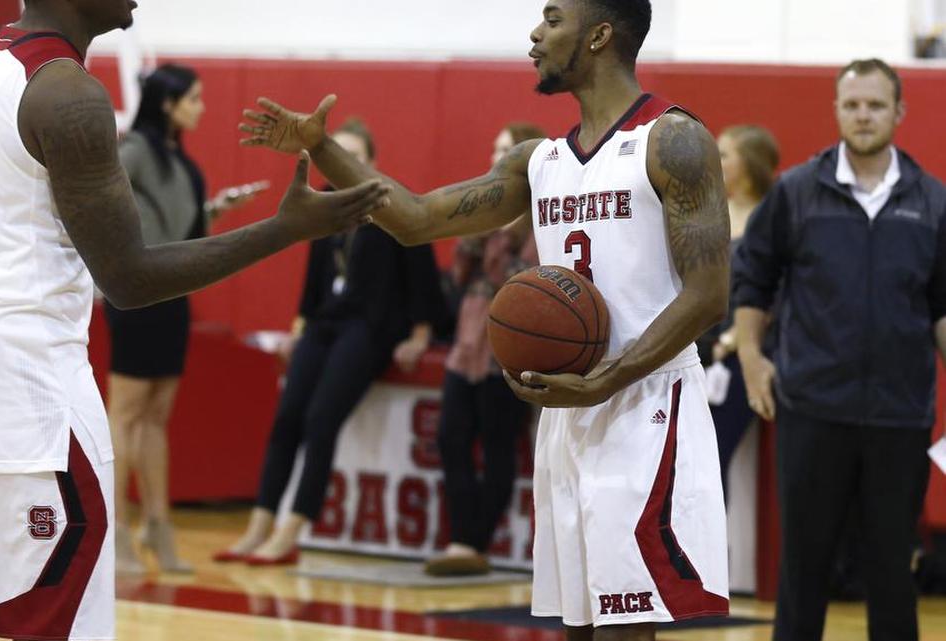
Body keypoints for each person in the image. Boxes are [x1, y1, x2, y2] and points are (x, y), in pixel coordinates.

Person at [0, 0, 391, 637]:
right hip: (21, 382)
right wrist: (285, 229)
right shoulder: (68, 93)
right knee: (56, 616)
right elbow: (128, 279)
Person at [240, 0, 732, 635]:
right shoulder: (538, 161)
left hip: (646, 400)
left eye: (553, 19)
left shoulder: (674, 140)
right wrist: (323, 148)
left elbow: (708, 293)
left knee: (625, 627)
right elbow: (415, 219)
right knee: (578, 623)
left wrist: (609, 379)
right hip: (569, 406)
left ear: (600, 35)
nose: (535, 33)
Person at [733, 58, 946, 641]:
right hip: (812, 409)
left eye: (875, 105)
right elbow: (753, 279)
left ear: (899, 112)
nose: (863, 115)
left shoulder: (932, 202)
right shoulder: (797, 193)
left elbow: (942, 308)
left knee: (891, 573)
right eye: (852, 104)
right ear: (837, 110)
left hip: (899, 416)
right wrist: (752, 359)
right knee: (803, 570)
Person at [214, 118, 443, 566]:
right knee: (286, 419)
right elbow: (313, 285)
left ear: (372, 165)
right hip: (325, 323)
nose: (344, 165)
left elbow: (424, 282)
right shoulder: (322, 209)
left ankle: (292, 529)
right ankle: (258, 524)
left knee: (321, 419)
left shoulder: (395, 207)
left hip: (371, 327)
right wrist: (296, 332)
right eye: (338, 155)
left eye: (354, 156)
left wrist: (420, 334)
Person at [106, 63, 264, 575]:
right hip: (136, 294)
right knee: (126, 412)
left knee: (157, 416)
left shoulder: (178, 158)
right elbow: (99, 207)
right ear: (168, 103)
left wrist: (214, 212)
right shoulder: (133, 151)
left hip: (174, 296)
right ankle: (114, 529)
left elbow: (179, 226)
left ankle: (158, 522)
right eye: (193, 98)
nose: (201, 106)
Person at [424, 122, 545, 577]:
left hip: (508, 347)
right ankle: (462, 539)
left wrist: (497, 238)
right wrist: (470, 237)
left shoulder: (538, 214)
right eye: (494, 147)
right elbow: (456, 278)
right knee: (451, 438)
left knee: (497, 446)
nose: (497, 157)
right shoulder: (482, 208)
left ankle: (473, 543)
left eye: (506, 149)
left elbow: (521, 280)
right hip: (467, 341)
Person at [697, 124, 779, 496]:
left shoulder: (772, 217)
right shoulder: (707, 213)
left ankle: (714, 551)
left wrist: (737, 339)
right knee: (687, 458)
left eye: (725, 153)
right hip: (695, 349)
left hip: (741, 355)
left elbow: (779, 288)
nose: (716, 159)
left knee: (714, 454)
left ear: (749, 164)